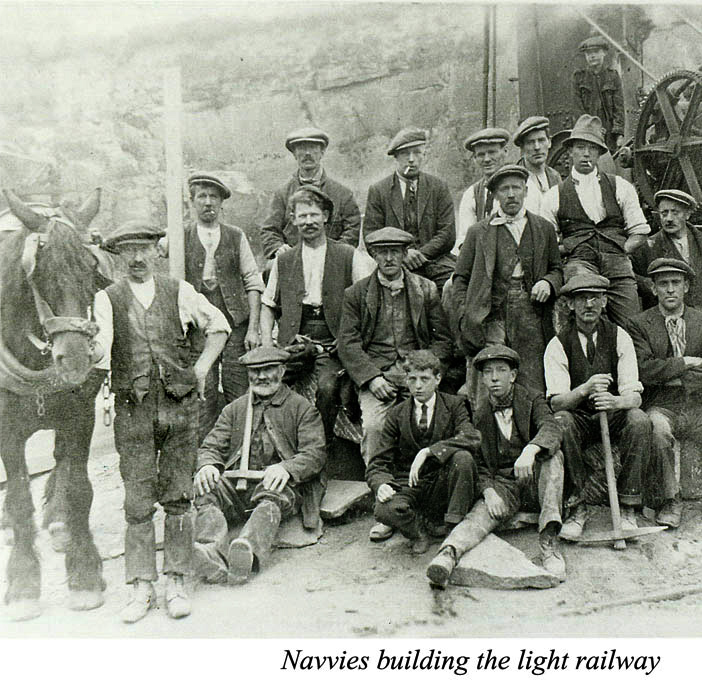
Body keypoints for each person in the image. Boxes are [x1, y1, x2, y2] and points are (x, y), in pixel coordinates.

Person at [92, 221, 230, 623]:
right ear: (119, 256)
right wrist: (87, 345)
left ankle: (177, 582)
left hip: (180, 409)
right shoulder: (107, 299)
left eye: (144, 249)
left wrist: (201, 369)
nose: (137, 258)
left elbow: (219, 327)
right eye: (128, 251)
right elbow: (101, 351)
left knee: (178, 497)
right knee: (137, 501)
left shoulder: (179, 291)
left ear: (157, 251)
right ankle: (141, 587)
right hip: (132, 411)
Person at [337, 227, 452, 540]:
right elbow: (348, 343)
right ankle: (386, 506)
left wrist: (422, 372)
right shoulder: (356, 293)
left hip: (417, 374)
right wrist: (371, 378)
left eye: (395, 252)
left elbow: (442, 340)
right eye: (382, 252)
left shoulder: (426, 289)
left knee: (430, 428)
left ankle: (426, 503)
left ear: (404, 254)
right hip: (379, 377)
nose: (388, 258)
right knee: (375, 428)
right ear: (374, 255)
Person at [426, 345, 565, 587]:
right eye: (488, 372)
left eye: (501, 370)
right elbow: (478, 462)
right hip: (505, 484)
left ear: (513, 375)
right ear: (481, 378)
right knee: (480, 514)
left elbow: (551, 427)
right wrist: (489, 491)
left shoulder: (532, 399)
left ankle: (549, 543)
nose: (494, 378)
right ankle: (448, 554)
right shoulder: (480, 413)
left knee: (553, 459)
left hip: (536, 478)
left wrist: (531, 450)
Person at [191, 346, 326, 585]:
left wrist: (286, 468)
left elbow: (315, 453)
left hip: (277, 487)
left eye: (268, 369)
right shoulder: (234, 409)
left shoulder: (301, 408)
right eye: (255, 371)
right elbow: (211, 446)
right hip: (236, 486)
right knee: (207, 488)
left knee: (272, 495)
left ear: (282, 371)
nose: (261, 377)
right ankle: (211, 552)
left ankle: (247, 552)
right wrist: (207, 465)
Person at [627, 258, 702, 530]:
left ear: (686, 287)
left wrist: (675, 378)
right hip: (661, 405)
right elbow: (644, 369)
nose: (670, 289)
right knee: (657, 429)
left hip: (698, 406)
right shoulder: (639, 324)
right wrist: (685, 362)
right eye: (663, 284)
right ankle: (671, 500)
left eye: (676, 283)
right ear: (653, 289)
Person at [260, 186, 373, 446]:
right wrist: (268, 344)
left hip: (333, 341)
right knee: (267, 382)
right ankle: (275, 445)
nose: (308, 221)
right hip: (295, 339)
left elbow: (366, 302)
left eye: (314, 215)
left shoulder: (348, 255)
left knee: (328, 388)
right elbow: (268, 304)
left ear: (325, 217)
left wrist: (350, 338)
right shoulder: (284, 260)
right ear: (293, 219)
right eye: (302, 216)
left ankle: (320, 446)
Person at [544, 274, 654, 538]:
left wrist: (616, 401)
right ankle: (577, 507)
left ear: (604, 301)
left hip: (613, 415)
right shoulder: (558, 344)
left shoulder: (619, 337)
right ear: (570, 305)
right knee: (562, 421)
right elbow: (557, 402)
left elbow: (635, 397)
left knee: (639, 420)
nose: (589, 304)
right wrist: (585, 389)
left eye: (595, 298)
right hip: (580, 418)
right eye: (582, 299)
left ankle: (627, 507)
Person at [451, 164, 562, 401]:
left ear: (526, 191)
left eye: (516, 188)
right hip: (491, 312)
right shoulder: (478, 232)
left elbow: (557, 269)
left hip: (531, 312)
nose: (511, 194)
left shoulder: (543, 228)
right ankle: (486, 421)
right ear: (495, 195)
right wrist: (465, 315)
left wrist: (548, 282)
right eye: (504, 189)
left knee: (531, 378)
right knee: (491, 375)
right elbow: (460, 278)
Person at [539, 114, 650, 327]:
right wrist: (570, 248)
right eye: (580, 147)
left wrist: (622, 250)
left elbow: (640, 231)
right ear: (570, 151)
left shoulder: (621, 187)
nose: (586, 153)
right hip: (579, 264)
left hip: (617, 264)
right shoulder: (554, 196)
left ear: (599, 153)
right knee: (585, 321)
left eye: (592, 148)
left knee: (632, 325)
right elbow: (548, 243)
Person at [366, 350, 480, 553]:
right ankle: (418, 531)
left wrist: (429, 451)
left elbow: (471, 437)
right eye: (412, 379)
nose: (418, 386)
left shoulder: (454, 405)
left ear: (438, 379)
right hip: (409, 483)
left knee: (463, 458)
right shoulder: (396, 414)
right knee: (383, 510)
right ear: (406, 380)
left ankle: (452, 527)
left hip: (442, 481)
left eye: (424, 379)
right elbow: (378, 463)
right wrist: (381, 484)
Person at [180, 172, 264, 441]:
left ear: (221, 202)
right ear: (192, 201)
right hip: (198, 330)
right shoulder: (181, 237)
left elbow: (252, 281)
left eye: (213, 197)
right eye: (201, 196)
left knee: (238, 389)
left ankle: (239, 451)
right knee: (202, 389)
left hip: (235, 325)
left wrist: (253, 328)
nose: (208, 202)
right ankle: (205, 453)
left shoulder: (235, 236)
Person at [362, 127, 456, 293]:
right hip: (395, 263)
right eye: (405, 154)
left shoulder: (438, 187)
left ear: (424, 154)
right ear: (396, 157)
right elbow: (371, 235)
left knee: (456, 287)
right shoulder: (379, 191)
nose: (411, 159)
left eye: (417, 152)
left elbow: (447, 234)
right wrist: (403, 255)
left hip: (436, 261)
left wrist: (421, 254)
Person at [632, 189, 702, 324]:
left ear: (688, 214)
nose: (669, 219)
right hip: (671, 321)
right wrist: (651, 285)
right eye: (664, 213)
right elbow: (631, 277)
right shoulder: (649, 246)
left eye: (675, 212)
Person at [259, 126, 361, 262]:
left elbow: (352, 231)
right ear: (294, 154)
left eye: (313, 148)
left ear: (322, 152)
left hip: (331, 262)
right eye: (301, 148)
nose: (307, 153)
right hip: (294, 262)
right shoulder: (282, 195)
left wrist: (334, 254)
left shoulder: (343, 194)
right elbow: (269, 230)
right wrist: (278, 248)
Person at [454, 127, 510, 255]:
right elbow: (465, 236)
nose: (487, 159)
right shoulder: (471, 194)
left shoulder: (523, 187)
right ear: (474, 159)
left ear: (505, 152)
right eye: (481, 155)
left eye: (492, 152)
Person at [572, 35, 627, 153]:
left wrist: (619, 134)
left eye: (596, 52)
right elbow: (578, 108)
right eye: (588, 53)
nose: (592, 56)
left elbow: (619, 108)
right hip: (587, 132)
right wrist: (590, 128)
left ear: (604, 53)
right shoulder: (579, 78)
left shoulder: (613, 76)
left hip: (609, 133)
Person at [513, 116, 562, 216]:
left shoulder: (555, 177)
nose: (537, 147)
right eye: (530, 142)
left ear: (549, 142)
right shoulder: (514, 178)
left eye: (541, 140)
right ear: (522, 147)